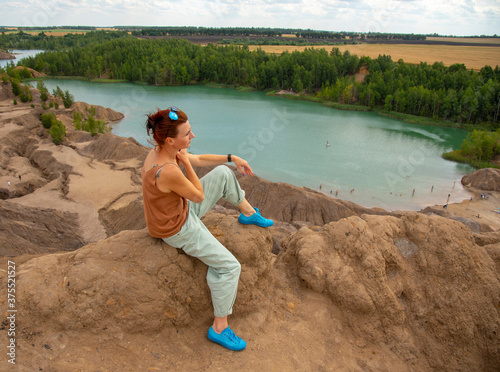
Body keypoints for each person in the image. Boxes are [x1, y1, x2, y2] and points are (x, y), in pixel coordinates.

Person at [141, 107, 273, 352]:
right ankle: (219, 327)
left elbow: (200, 160)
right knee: (230, 266)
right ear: (171, 140)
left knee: (223, 172)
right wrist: (184, 161)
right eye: (188, 134)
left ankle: (248, 213)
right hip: (176, 227)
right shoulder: (167, 170)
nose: (193, 137)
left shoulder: (161, 150)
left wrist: (232, 158)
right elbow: (199, 196)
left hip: (179, 209)